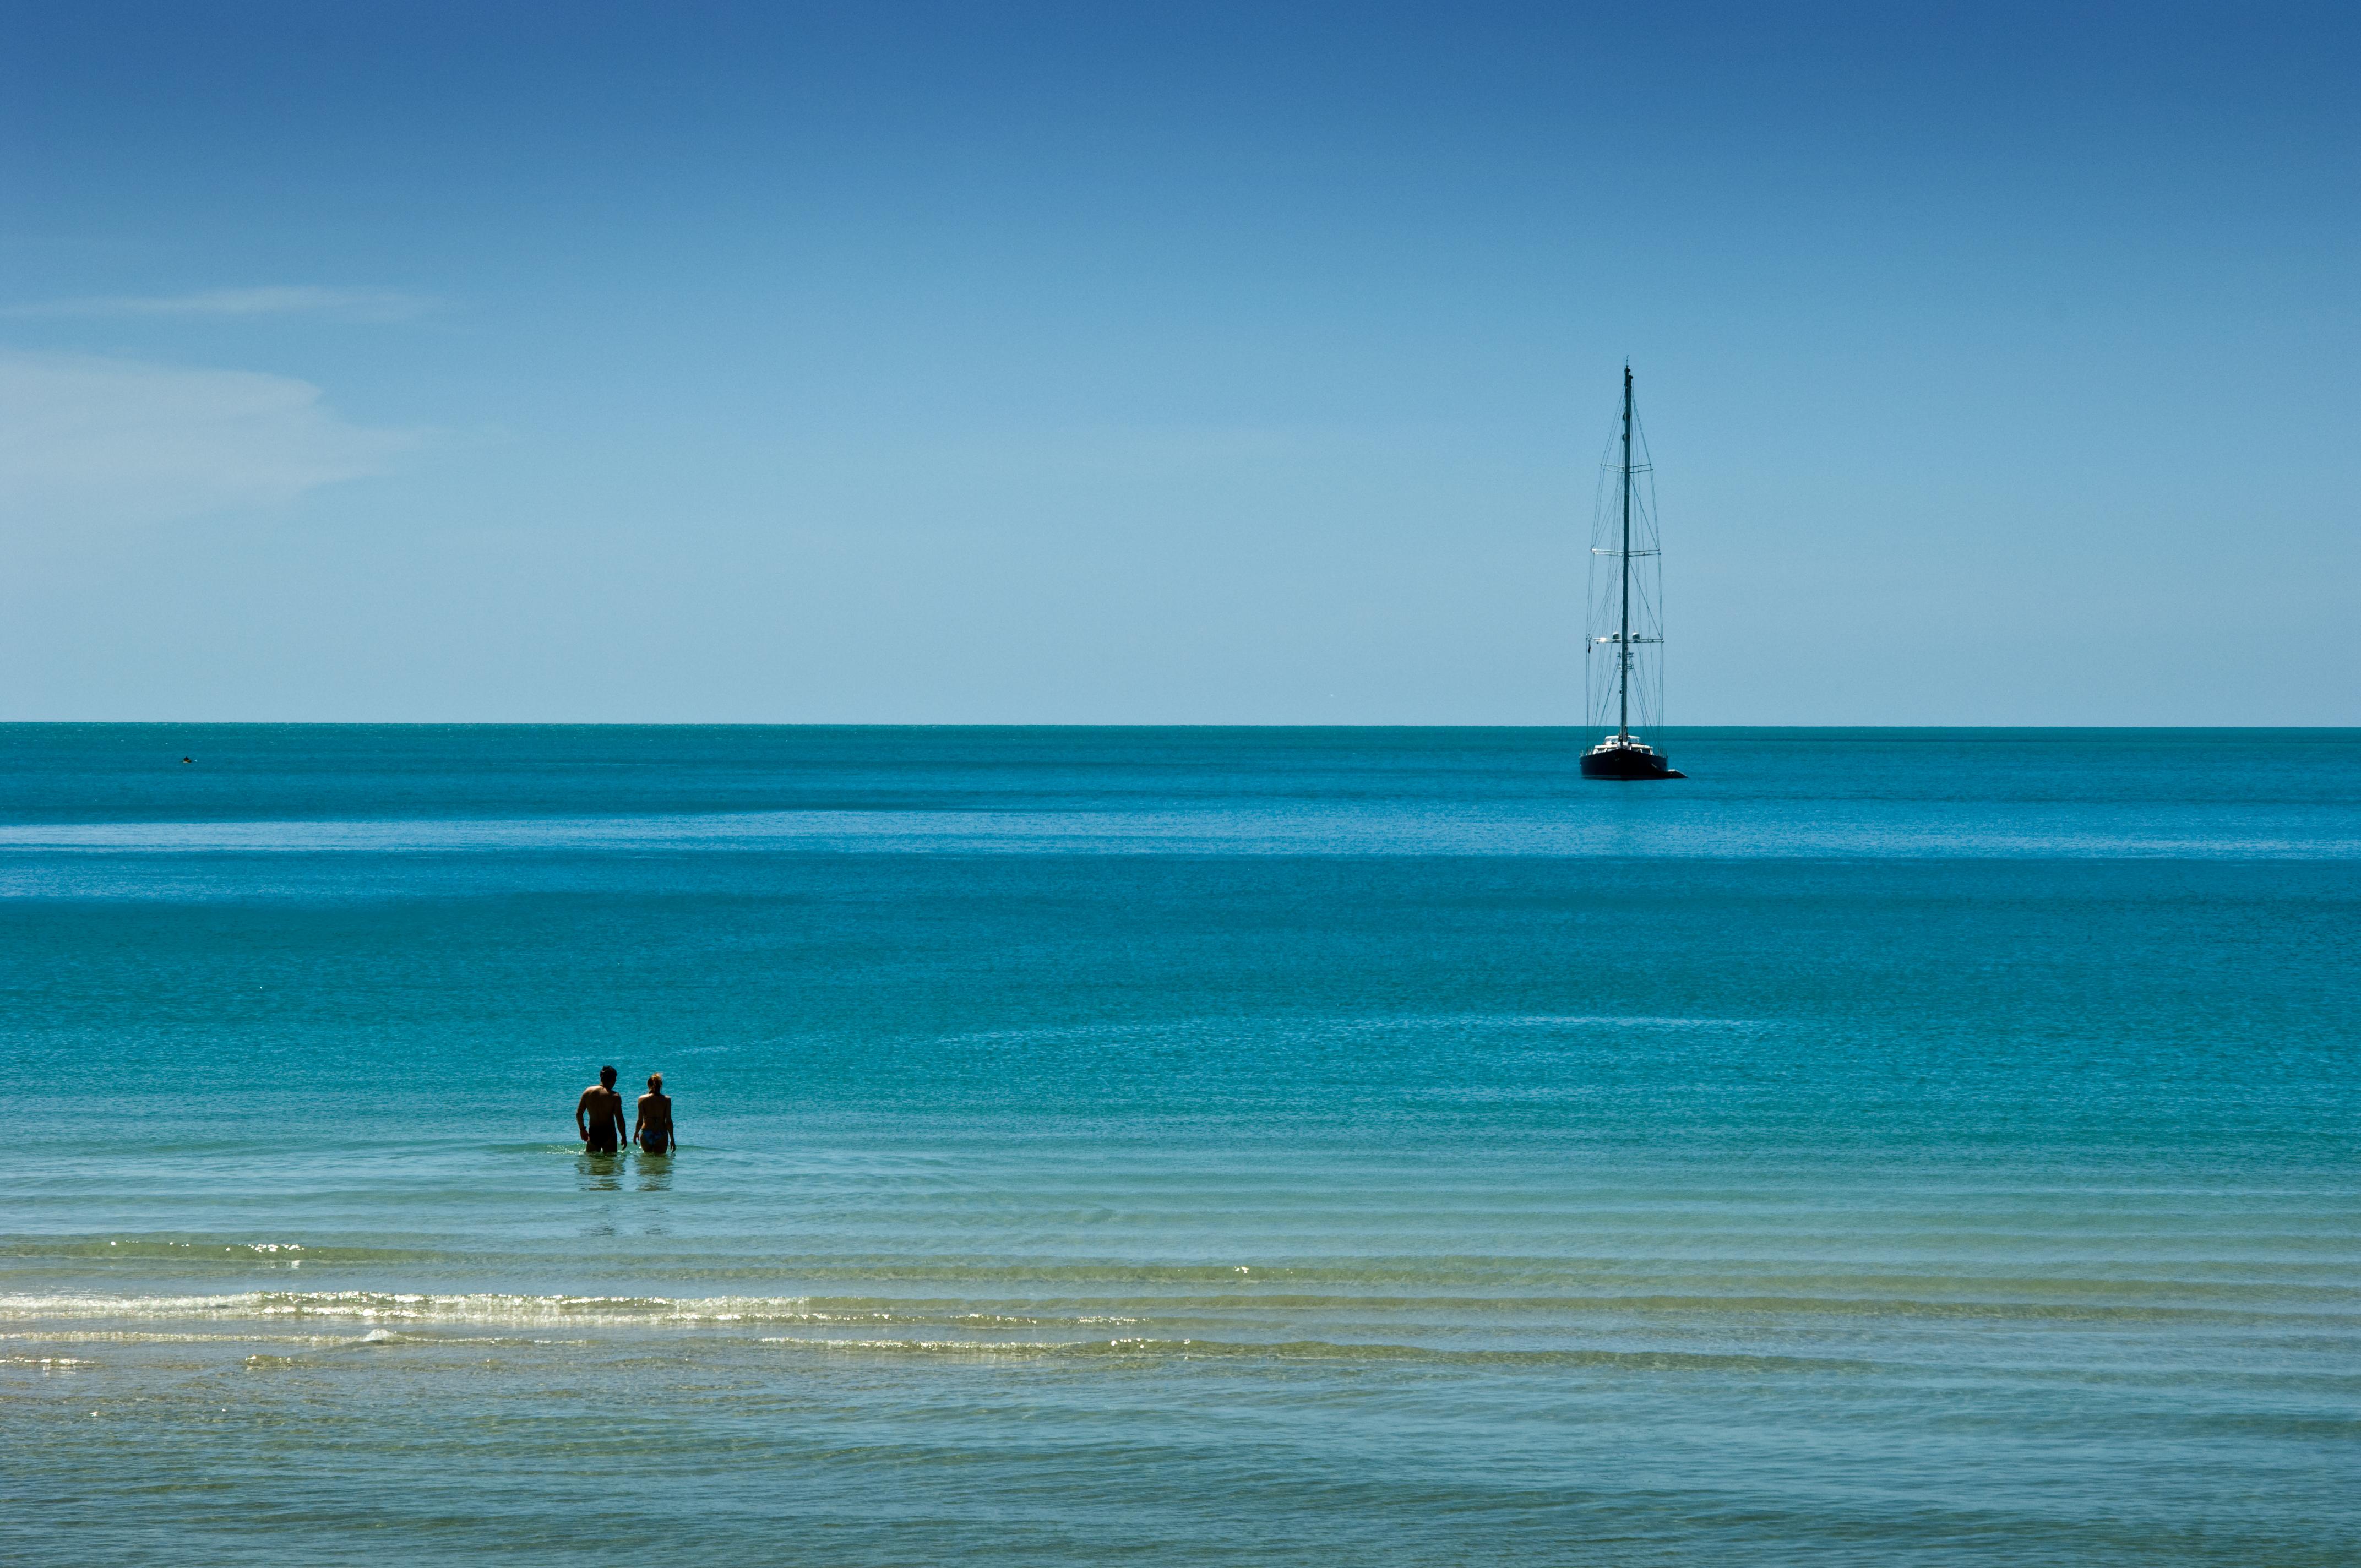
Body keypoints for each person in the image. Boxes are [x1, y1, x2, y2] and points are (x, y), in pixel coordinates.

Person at [576, 1065, 627, 1154]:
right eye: (615, 1079)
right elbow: (619, 1119)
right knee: (610, 1164)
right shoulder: (615, 1097)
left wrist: (582, 1130)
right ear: (612, 1079)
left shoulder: (588, 1092)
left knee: (593, 1164)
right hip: (609, 1132)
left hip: (594, 1132)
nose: (616, 1081)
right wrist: (624, 1137)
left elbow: (579, 1114)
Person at [634, 1073, 675, 1155]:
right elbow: (669, 1122)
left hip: (646, 1133)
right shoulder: (667, 1100)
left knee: (646, 1162)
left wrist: (636, 1133)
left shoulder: (642, 1099)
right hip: (662, 1134)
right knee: (661, 1164)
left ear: (648, 1085)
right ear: (660, 1086)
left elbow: (640, 1120)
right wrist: (672, 1139)